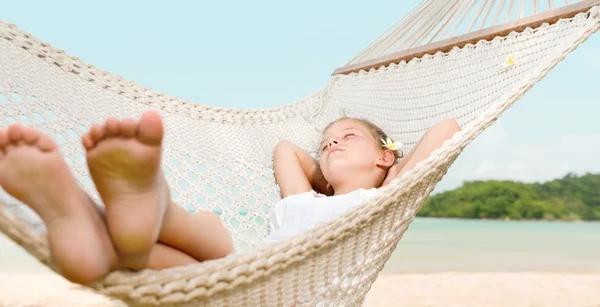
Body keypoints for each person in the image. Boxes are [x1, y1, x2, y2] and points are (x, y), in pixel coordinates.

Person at [0, 111, 460, 284]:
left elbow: (445, 130)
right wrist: (328, 172)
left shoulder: (383, 199)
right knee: (171, 256)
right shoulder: (304, 200)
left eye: (347, 136)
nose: (331, 144)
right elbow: (286, 151)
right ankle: (89, 227)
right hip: (237, 278)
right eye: (325, 142)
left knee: (214, 234)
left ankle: (153, 206)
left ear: (384, 158)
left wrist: (395, 171)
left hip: (285, 290)